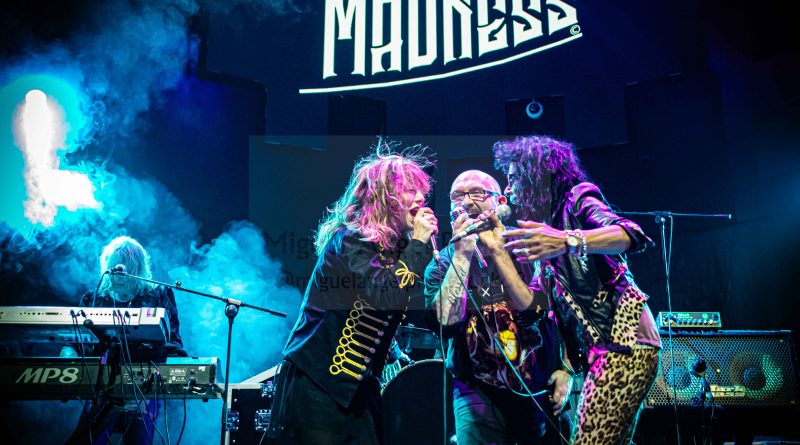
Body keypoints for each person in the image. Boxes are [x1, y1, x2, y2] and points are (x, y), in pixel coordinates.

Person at [493, 135, 662, 444]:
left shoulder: (576, 199)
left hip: (625, 339)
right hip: (605, 351)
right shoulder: (545, 234)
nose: (507, 189)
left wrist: (567, 240)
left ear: (536, 177)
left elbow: (629, 234)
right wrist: (496, 251)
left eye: (514, 178)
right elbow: (531, 305)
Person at [268, 146, 438, 445]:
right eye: (411, 190)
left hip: (358, 387)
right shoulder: (350, 240)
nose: (421, 199)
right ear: (385, 197)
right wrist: (418, 245)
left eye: (422, 192)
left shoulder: (393, 252)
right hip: (318, 382)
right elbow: (384, 296)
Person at [424, 169, 573, 445]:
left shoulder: (529, 247)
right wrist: (462, 255)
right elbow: (444, 324)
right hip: (475, 391)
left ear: (500, 201)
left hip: (538, 386)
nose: (465, 202)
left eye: (476, 193)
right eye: (457, 196)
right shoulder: (443, 262)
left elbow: (558, 312)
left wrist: (567, 368)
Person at [65, 235, 187, 445]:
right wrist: (67, 357)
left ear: (138, 269)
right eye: (113, 269)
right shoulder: (94, 299)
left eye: (123, 269)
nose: (117, 276)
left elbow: (173, 344)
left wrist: (150, 388)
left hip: (145, 387)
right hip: (102, 387)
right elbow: (76, 343)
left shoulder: (158, 295)